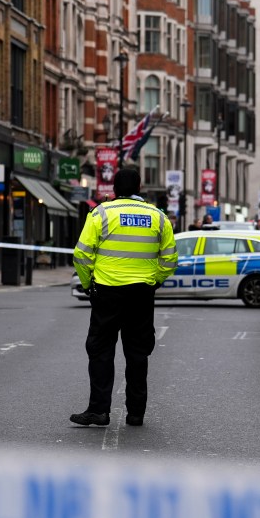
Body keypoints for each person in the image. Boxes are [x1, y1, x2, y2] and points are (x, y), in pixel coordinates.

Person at [71, 168, 178, 428]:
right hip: (141, 293)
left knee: (100, 351)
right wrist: (154, 282)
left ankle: (98, 411)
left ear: (115, 188)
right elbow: (170, 258)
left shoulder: (101, 213)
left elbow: (81, 255)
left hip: (107, 292)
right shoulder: (158, 217)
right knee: (138, 353)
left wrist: (88, 285)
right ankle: (136, 413)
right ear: (139, 187)